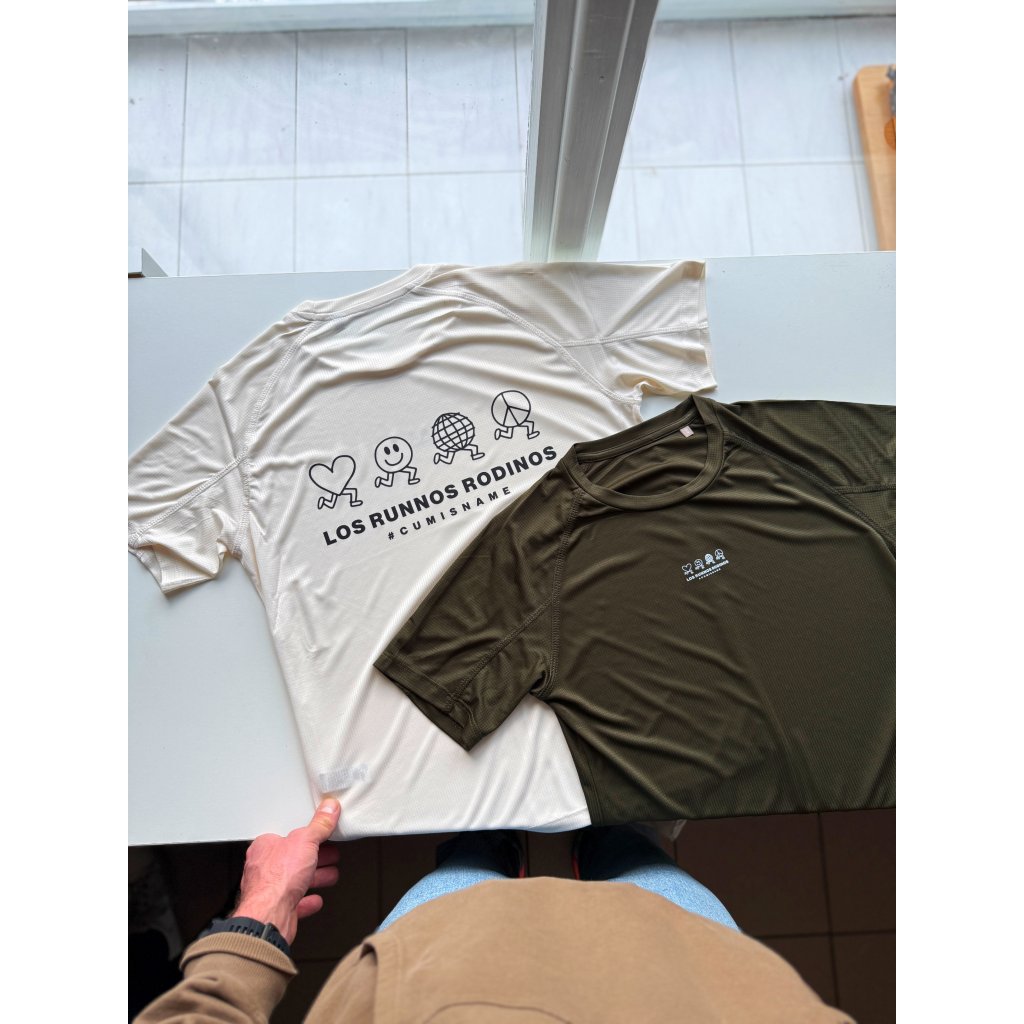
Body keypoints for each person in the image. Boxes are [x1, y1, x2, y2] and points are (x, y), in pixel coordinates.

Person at [136, 799, 852, 1023]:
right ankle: (601, 823)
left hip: (438, 987)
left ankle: (490, 825)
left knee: (470, 861)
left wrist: (261, 909)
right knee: (635, 855)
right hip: (705, 993)